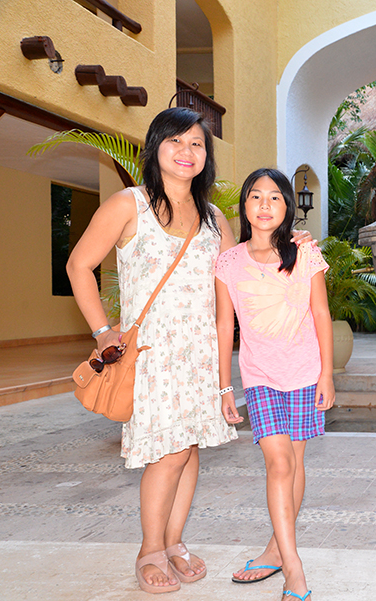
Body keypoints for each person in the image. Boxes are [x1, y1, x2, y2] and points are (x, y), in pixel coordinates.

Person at [66, 108, 312, 594]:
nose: (186, 151)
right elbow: (78, 265)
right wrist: (100, 332)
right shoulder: (127, 205)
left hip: (202, 355)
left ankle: (173, 541)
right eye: (175, 141)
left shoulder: (214, 218)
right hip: (155, 355)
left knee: (189, 448)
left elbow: (245, 265)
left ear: (206, 155)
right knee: (167, 453)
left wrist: (291, 242)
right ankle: (149, 550)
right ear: (155, 147)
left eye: (197, 144)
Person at [215, 167, 335, 601]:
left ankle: (276, 549)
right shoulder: (228, 262)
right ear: (244, 206)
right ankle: (294, 568)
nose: (264, 206)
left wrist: (326, 374)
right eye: (255, 197)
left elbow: (321, 314)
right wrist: (226, 388)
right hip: (261, 377)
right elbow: (223, 325)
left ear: (287, 207)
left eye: (274, 198)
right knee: (279, 464)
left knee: (295, 464)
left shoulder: (305, 254)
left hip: (303, 374)